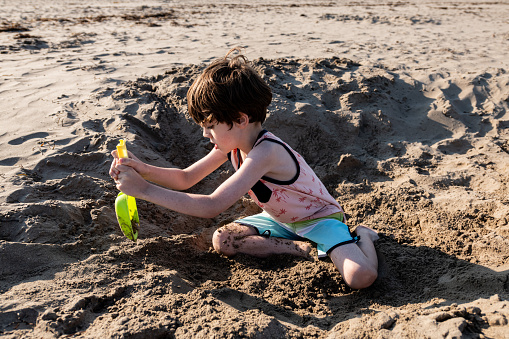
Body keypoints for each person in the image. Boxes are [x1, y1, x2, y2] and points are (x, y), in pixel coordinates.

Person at [109, 48, 379, 289]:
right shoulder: (232, 144)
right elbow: (185, 178)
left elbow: (211, 206)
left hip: (319, 220)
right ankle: (301, 250)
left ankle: (361, 235)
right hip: (281, 221)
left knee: (360, 277)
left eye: (210, 126)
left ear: (240, 119)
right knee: (224, 240)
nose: (205, 134)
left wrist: (143, 190)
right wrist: (141, 169)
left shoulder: (267, 152)